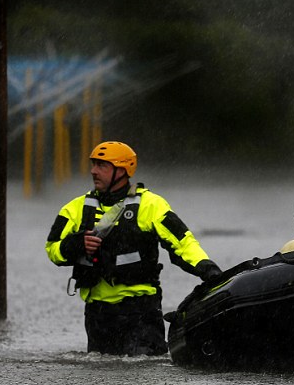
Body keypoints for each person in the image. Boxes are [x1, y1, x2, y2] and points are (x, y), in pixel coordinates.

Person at [45, 141, 221, 356]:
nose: (93, 171)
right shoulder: (74, 209)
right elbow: (52, 249)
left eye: (102, 166)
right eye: (93, 165)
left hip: (141, 312)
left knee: (144, 369)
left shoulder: (151, 205)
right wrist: (76, 244)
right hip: (97, 315)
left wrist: (207, 269)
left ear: (122, 171)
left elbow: (182, 242)